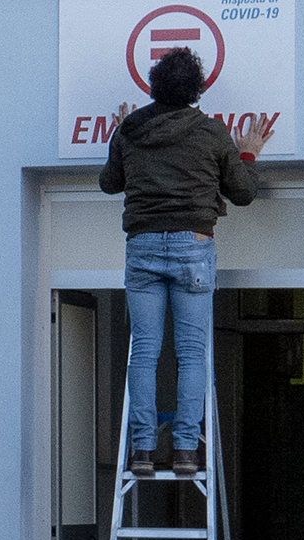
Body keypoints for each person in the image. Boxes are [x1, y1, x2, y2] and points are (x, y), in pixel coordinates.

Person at [100, 49, 263, 476]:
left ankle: (142, 450)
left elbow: (108, 183)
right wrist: (247, 153)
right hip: (193, 244)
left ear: (152, 85)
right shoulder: (210, 132)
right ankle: (187, 450)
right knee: (191, 353)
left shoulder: (132, 129)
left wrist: (121, 136)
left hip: (143, 247)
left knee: (145, 351)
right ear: (198, 89)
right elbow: (243, 193)